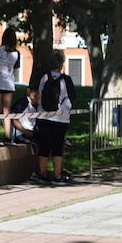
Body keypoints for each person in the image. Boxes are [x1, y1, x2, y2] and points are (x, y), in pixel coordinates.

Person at [31, 51, 75, 186]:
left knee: (44, 146)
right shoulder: (66, 80)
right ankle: (57, 175)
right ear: (61, 64)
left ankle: (42, 174)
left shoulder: (45, 78)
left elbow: (39, 97)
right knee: (57, 147)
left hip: (44, 117)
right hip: (61, 119)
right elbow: (72, 98)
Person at [0, 28, 21, 142]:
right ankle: (8, 135)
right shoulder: (16, 53)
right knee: (7, 110)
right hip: (9, 83)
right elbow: (16, 69)